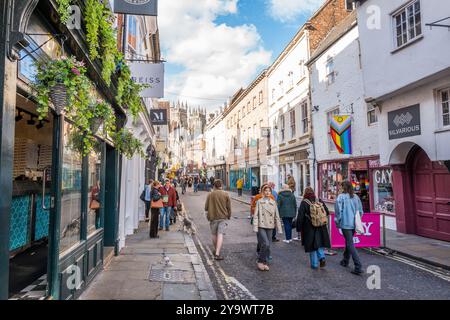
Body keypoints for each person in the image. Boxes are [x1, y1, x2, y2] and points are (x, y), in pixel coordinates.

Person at [297, 187, 331, 270]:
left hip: (309, 227)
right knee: (319, 243)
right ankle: (322, 257)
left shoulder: (304, 203)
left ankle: (314, 264)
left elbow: (300, 217)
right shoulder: (318, 200)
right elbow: (327, 211)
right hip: (321, 226)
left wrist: (298, 228)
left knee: (312, 246)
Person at [335, 181, 364, 275]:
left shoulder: (341, 197)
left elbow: (338, 212)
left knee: (350, 243)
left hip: (345, 224)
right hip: (354, 224)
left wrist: (338, 221)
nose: (340, 188)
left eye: (341, 187)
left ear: (344, 188)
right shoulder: (356, 197)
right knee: (348, 241)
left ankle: (358, 266)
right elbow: (360, 211)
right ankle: (345, 260)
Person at [253, 185, 283, 271]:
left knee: (268, 245)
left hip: (270, 226)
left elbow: (277, 216)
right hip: (261, 225)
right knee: (265, 243)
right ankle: (260, 261)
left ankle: (264, 262)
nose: (267, 192)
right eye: (265, 191)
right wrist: (255, 227)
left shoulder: (273, 202)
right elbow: (255, 215)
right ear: (263, 192)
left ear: (271, 192)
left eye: (269, 191)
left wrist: (279, 228)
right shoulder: (259, 201)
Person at [205, 179, 232, 261]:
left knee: (214, 234)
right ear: (221, 185)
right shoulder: (226, 194)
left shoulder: (210, 194)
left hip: (213, 217)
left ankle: (216, 249)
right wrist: (229, 216)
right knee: (220, 234)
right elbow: (229, 207)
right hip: (223, 217)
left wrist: (208, 215)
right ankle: (217, 253)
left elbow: (206, 207)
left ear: (214, 186)